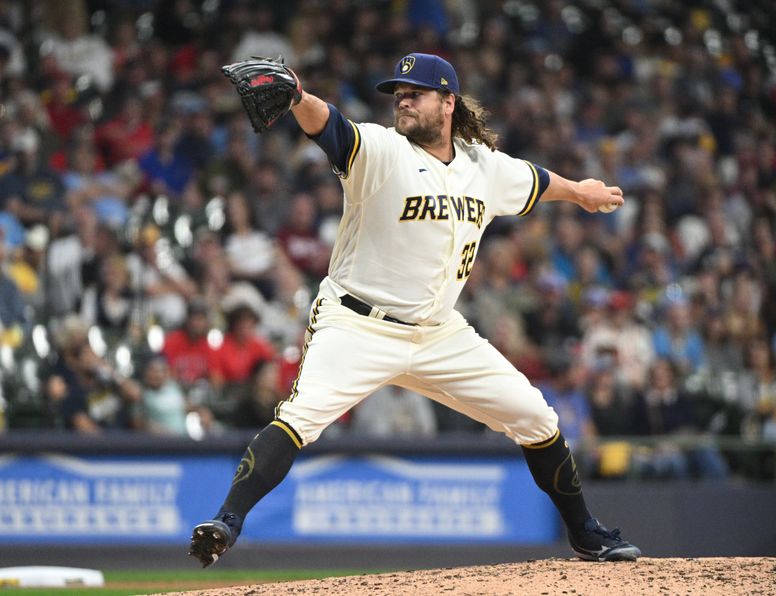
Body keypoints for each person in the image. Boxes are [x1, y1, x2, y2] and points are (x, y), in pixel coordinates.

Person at [190, 53, 640, 566]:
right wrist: (297, 97)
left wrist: (579, 191)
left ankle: (585, 533)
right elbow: (331, 128)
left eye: (415, 92)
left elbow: (535, 181)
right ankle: (226, 522)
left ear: (448, 102)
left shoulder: (484, 167)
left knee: (536, 416)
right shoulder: (383, 151)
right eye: (398, 92)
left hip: (440, 333)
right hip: (357, 323)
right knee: (301, 416)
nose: (402, 99)